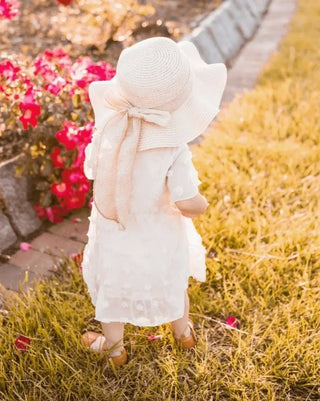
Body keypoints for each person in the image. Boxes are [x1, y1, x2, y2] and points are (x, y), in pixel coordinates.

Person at [81, 36, 227, 366]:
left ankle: (115, 349)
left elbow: (92, 168)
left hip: (115, 232)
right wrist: (200, 205)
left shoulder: (109, 128)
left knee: (113, 291)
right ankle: (183, 334)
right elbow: (186, 198)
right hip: (160, 236)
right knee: (173, 284)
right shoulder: (173, 148)